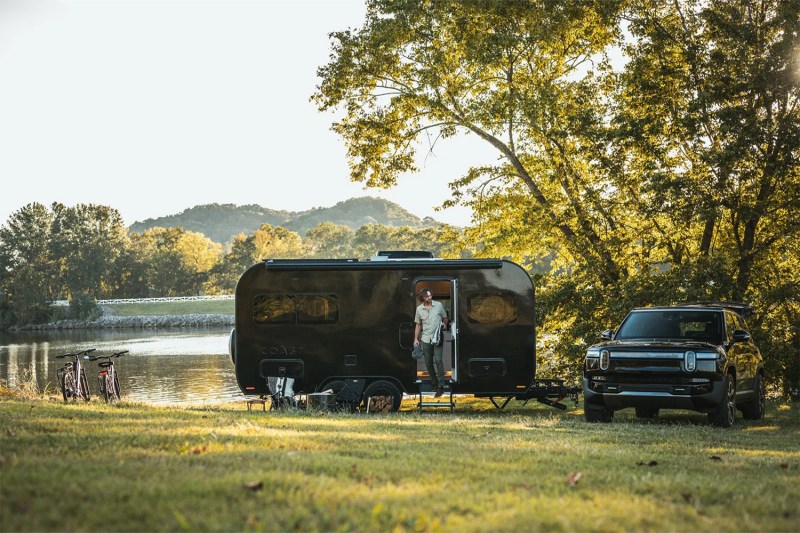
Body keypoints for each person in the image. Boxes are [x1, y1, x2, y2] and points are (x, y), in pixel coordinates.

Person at [413, 287, 449, 397]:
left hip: (437, 338)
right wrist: (415, 339)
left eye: (430, 295)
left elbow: (445, 317)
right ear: (423, 298)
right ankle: (435, 384)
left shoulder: (438, 305)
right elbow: (418, 325)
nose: (430, 297)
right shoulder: (419, 309)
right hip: (425, 339)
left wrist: (445, 325)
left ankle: (441, 386)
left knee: (438, 360)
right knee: (428, 363)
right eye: (428, 296)